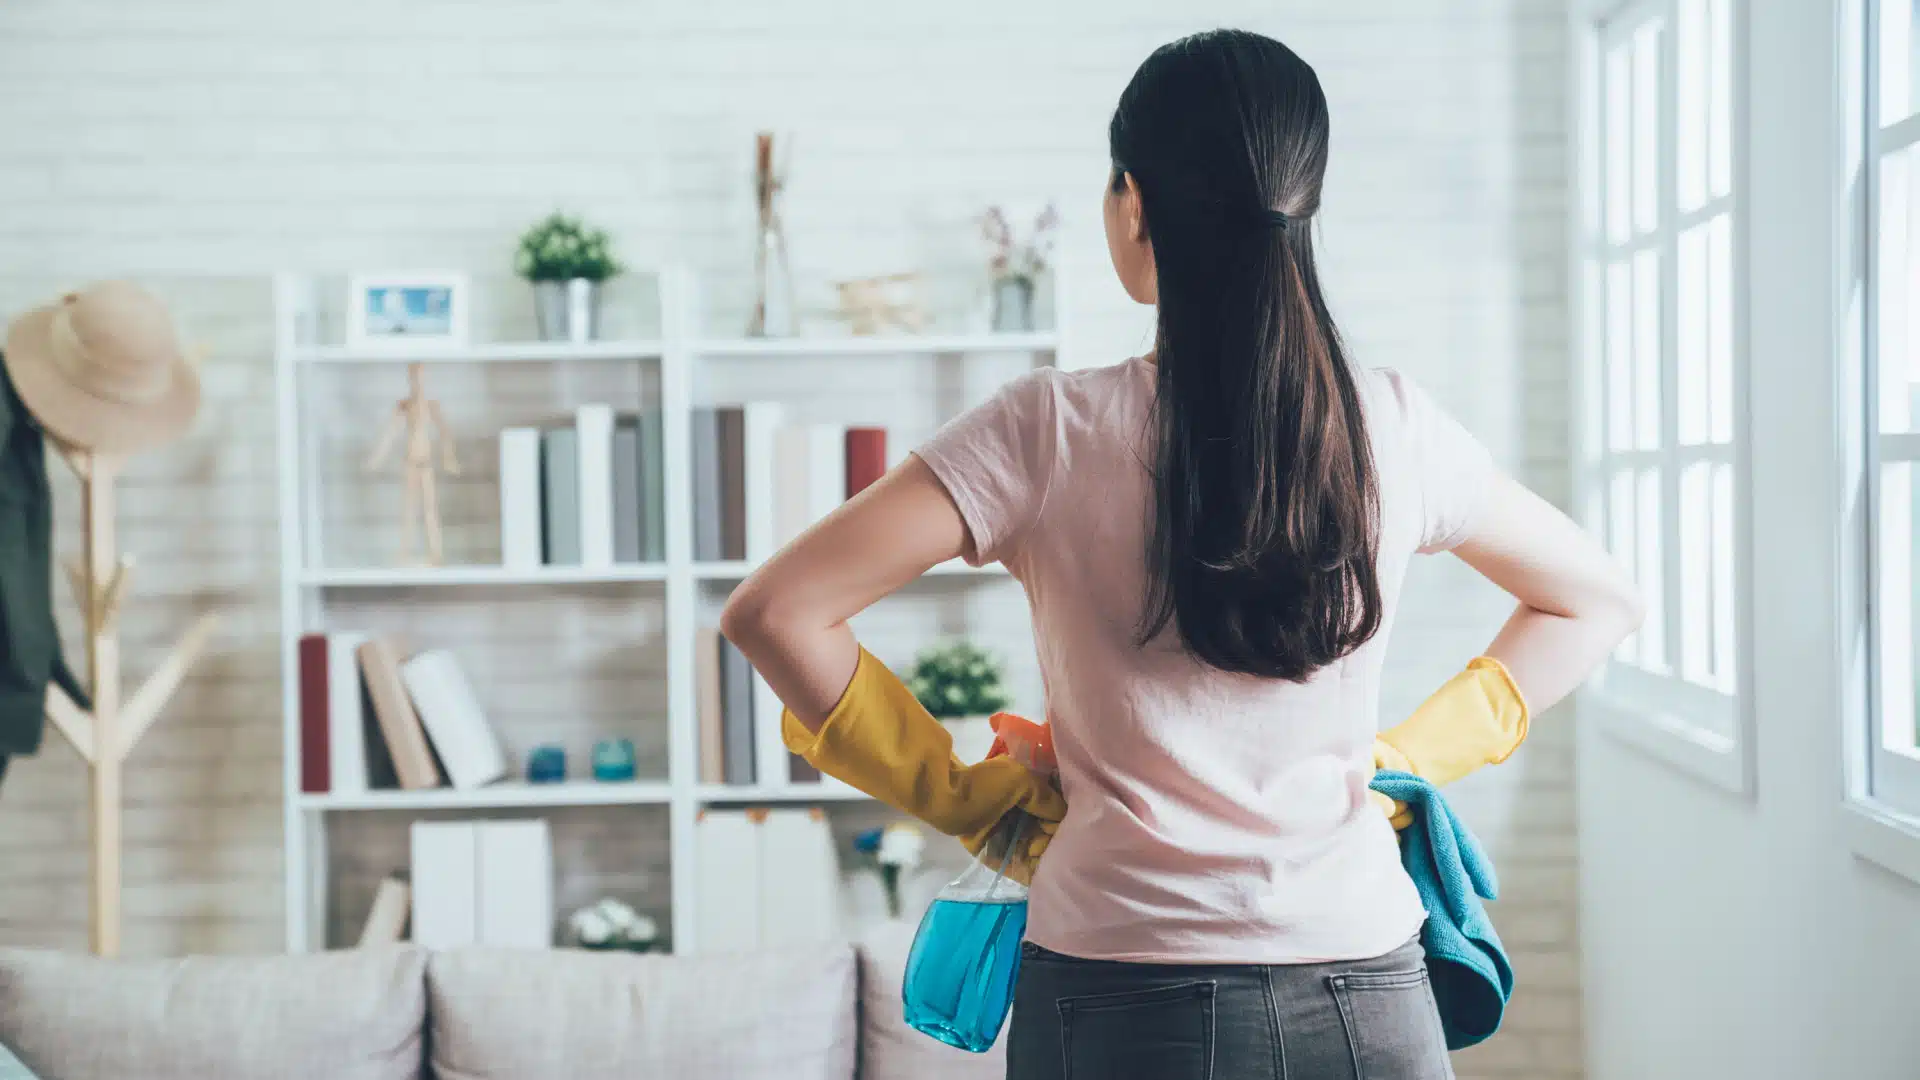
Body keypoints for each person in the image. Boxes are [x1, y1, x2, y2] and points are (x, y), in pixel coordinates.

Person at [721, 28, 1641, 1080]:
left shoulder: (1044, 433)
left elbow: (775, 611)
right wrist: (1409, 759)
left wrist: (966, 798)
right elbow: (1595, 601)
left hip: (1120, 990)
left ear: (1132, 203)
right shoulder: (1392, 426)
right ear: (1303, 209)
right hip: (1370, 991)